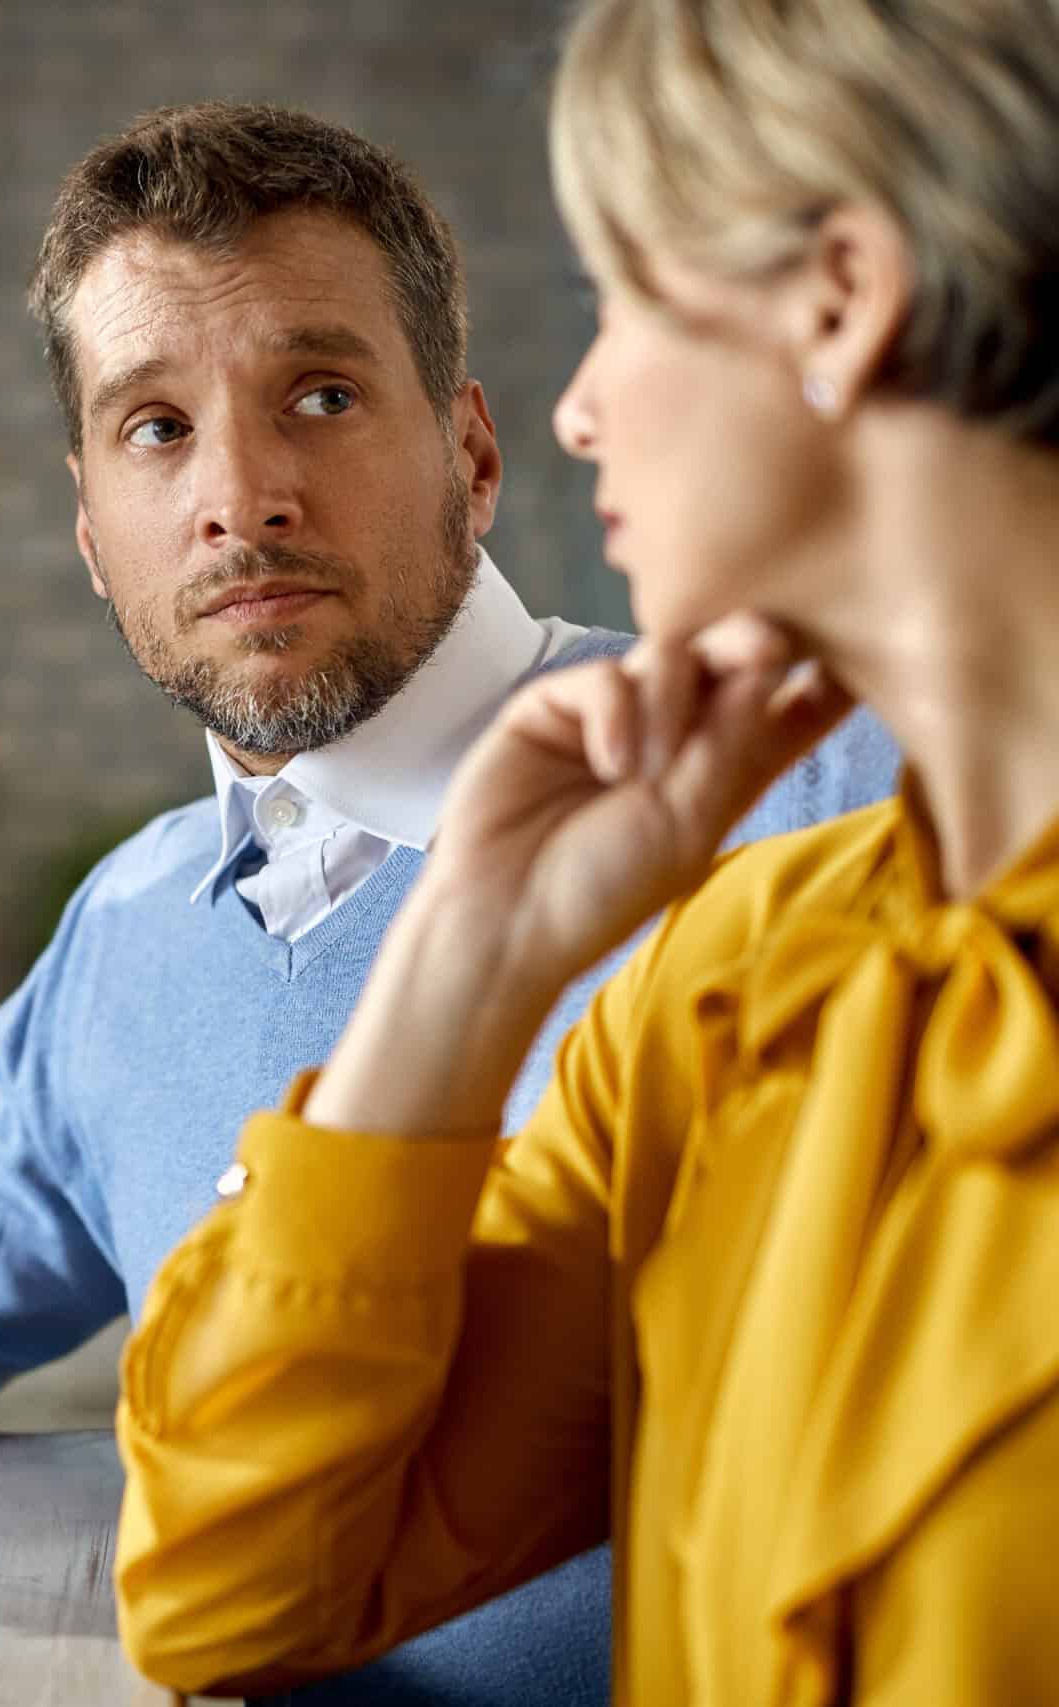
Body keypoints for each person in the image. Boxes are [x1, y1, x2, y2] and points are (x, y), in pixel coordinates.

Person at [0, 104, 901, 1703]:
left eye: (321, 397)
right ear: (89, 531)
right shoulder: (132, 927)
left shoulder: (816, 794)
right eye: (156, 429)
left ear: (472, 454)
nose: (242, 495)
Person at [110, 1, 1059, 1701]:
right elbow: (230, 1598)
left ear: (841, 302)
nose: (576, 412)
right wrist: (465, 961)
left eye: (624, 298)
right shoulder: (735, 978)